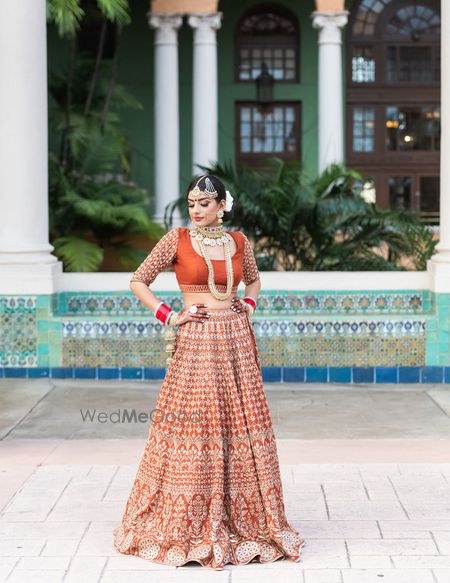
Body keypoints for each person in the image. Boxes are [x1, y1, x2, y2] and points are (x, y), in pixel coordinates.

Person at [113, 174, 306, 570]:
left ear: (222, 206)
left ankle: (245, 520)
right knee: (197, 424)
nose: (196, 210)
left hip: (236, 339)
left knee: (240, 424)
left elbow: (252, 280)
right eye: (192, 203)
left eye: (204, 203)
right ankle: (189, 518)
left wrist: (249, 307)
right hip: (197, 339)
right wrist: (170, 314)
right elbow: (138, 280)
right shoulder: (177, 240)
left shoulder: (239, 243)